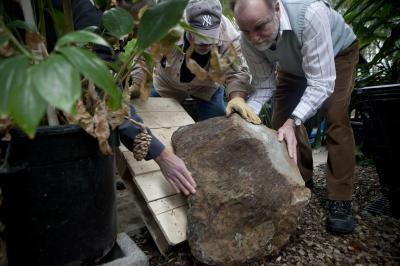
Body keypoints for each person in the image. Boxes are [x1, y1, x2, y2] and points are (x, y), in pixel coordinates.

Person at [231, 0, 359, 234]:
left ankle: (340, 197)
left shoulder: (310, 14)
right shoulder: (248, 39)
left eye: (260, 27)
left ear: (277, 8)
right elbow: (264, 85)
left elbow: (321, 83)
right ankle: (302, 178)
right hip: (292, 65)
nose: (255, 38)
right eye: (246, 31)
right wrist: (246, 113)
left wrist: (295, 120)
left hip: (337, 54)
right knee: (281, 122)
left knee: (336, 117)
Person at [46, 0, 197, 196]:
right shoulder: (90, 18)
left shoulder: (97, 14)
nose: (142, 27)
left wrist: (130, 84)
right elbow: (108, 97)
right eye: (144, 16)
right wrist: (163, 155)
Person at [132, 0, 260, 124]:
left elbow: (237, 71)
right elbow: (143, 56)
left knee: (216, 125)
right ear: (187, 24)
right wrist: (138, 84)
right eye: (199, 35)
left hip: (208, 87)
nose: (205, 42)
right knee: (147, 117)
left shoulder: (229, 35)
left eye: (210, 36)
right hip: (167, 84)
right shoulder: (167, 26)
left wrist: (237, 97)